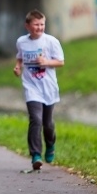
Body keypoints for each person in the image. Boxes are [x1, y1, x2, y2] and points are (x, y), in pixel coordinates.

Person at [13, 9, 65, 173]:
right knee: (35, 119)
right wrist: (18, 66)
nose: (40, 27)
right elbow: (20, 57)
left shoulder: (51, 41)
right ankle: (35, 155)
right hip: (31, 87)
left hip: (48, 87)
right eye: (36, 25)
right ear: (27, 26)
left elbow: (61, 62)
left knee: (47, 123)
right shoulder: (22, 41)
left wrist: (46, 62)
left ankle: (50, 145)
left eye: (42, 24)